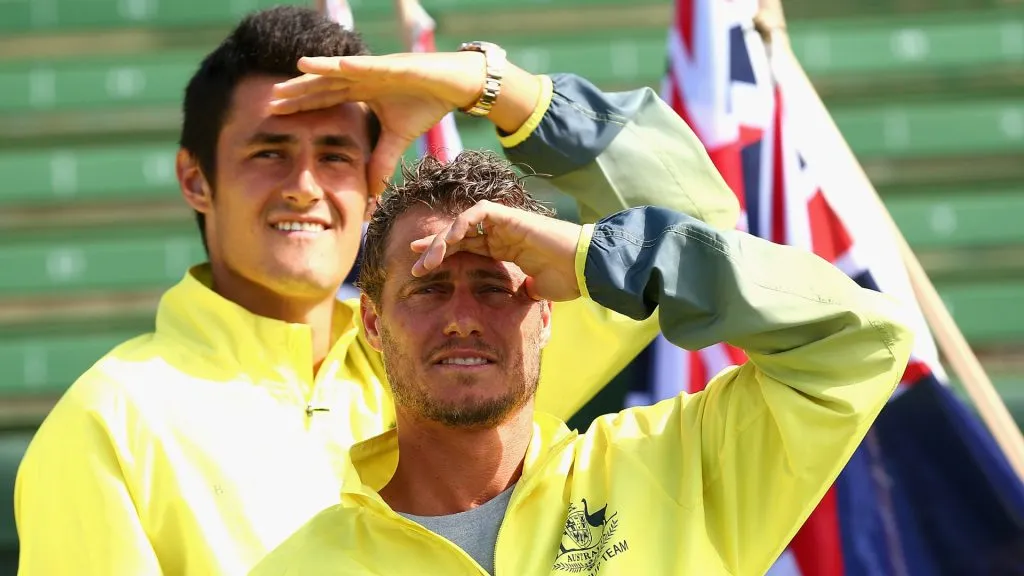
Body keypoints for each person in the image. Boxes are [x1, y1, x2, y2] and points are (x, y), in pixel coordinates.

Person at [13, 6, 743, 576]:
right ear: (194, 178)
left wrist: (488, 88)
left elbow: (694, 225)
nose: (305, 185)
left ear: (373, 186)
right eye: (269, 152)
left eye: (335, 155)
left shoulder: (457, 353)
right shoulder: (112, 421)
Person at [251, 150, 913, 576]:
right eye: (427, 287)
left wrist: (595, 257)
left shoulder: (677, 464)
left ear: (545, 311)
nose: (461, 316)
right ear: (371, 322)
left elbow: (863, 342)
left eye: (494, 287)